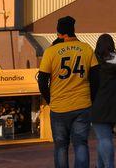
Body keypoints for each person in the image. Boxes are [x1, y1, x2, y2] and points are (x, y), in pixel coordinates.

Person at [38, 16, 99, 168]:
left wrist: (50, 100)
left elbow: (42, 81)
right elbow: (96, 78)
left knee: (61, 146)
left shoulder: (51, 52)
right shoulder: (87, 49)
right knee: (81, 144)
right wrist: (90, 99)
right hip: (82, 104)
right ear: (73, 30)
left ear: (59, 32)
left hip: (59, 107)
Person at [90, 34, 116, 168]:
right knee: (103, 139)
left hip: (100, 106)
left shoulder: (95, 62)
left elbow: (92, 85)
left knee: (104, 139)